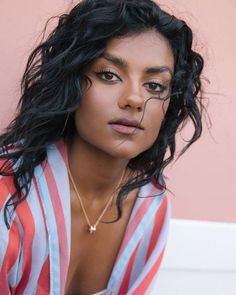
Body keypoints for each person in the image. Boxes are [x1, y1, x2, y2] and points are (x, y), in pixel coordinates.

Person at [0, 0, 205, 294]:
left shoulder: (150, 201)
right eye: (109, 75)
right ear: (71, 82)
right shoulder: (7, 193)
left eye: (155, 86)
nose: (134, 99)